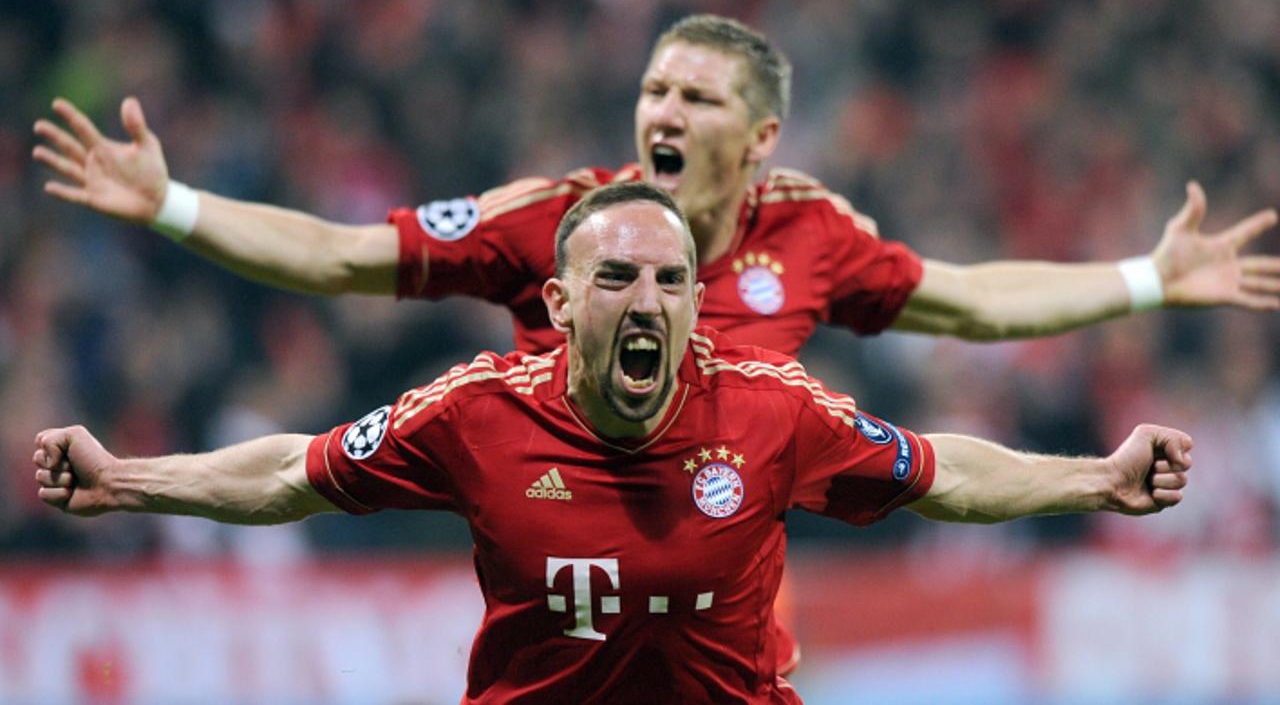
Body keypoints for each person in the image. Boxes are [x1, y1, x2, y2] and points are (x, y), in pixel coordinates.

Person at [30, 15, 1276, 673]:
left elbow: (967, 310)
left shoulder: (807, 262)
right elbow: (342, 259)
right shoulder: (547, 238)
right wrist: (176, 206)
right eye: (652, 90)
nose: (661, 112)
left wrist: (1144, 280)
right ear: (570, 294)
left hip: (727, 559)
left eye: (695, 96)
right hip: (557, 522)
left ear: (763, 134)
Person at [34, 182, 1195, 704]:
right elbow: (292, 472)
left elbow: (941, 473)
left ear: (696, 301)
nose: (649, 298)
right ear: (561, 294)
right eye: (619, 277)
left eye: (672, 279)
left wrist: (1094, 478)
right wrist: (127, 481)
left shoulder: (771, 406)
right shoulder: (476, 412)